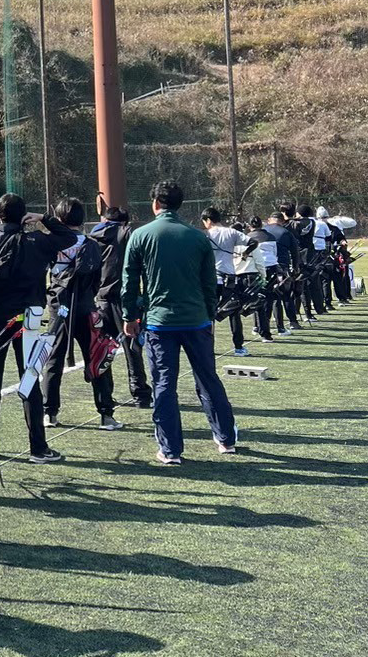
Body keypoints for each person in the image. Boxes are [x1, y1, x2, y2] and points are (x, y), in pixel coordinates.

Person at [122, 180, 237, 467]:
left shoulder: (141, 235)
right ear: (180, 204)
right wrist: (209, 315)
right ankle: (225, 439)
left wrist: (129, 316)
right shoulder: (198, 237)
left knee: (164, 385)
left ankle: (170, 450)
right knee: (208, 379)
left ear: (155, 204)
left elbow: (129, 282)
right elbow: (210, 283)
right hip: (197, 320)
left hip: (160, 324)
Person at [0, 194, 76, 460]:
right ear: (24, 216)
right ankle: (38, 447)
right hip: (28, 318)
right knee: (30, 376)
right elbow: (69, 237)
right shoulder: (38, 240)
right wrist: (44, 218)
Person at [41, 199, 121, 431]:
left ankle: (49, 412)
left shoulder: (52, 242)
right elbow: (98, 278)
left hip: (59, 306)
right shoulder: (90, 244)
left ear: (58, 219)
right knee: (97, 356)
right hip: (86, 307)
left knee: (53, 360)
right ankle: (106, 414)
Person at [89, 204, 152, 408]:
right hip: (123, 297)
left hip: (99, 298)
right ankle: (140, 393)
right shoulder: (126, 233)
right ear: (124, 221)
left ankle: (105, 395)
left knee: (102, 349)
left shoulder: (93, 235)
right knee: (132, 346)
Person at [201, 208, 252, 355]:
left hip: (211, 279)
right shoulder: (232, 232)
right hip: (229, 278)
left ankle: (208, 347)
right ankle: (239, 347)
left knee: (209, 313)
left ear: (208, 220)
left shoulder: (205, 235)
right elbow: (253, 242)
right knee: (233, 312)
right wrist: (245, 254)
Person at [282, 201, 325, 322]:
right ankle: (300, 311)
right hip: (307, 255)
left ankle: (307, 313)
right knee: (301, 284)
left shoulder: (298, 223)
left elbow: (292, 226)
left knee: (302, 285)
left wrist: (286, 218)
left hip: (302, 256)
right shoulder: (309, 222)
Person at [263, 211, 302, 333]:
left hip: (264, 267)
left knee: (266, 296)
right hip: (282, 267)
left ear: (270, 219)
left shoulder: (263, 231)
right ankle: (292, 321)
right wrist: (296, 267)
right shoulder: (286, 232)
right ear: (283, 221)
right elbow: (295, 252)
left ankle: (263, 323)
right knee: (286, 295)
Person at [246, 216, 283, 343]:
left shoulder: (247, 237)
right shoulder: (270, 236)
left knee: (257, 299)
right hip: (271, 268)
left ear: (250, 226)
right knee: (269, 298)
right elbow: (275, 253)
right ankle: (265, 328)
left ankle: (258, 326)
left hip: (255, 270)